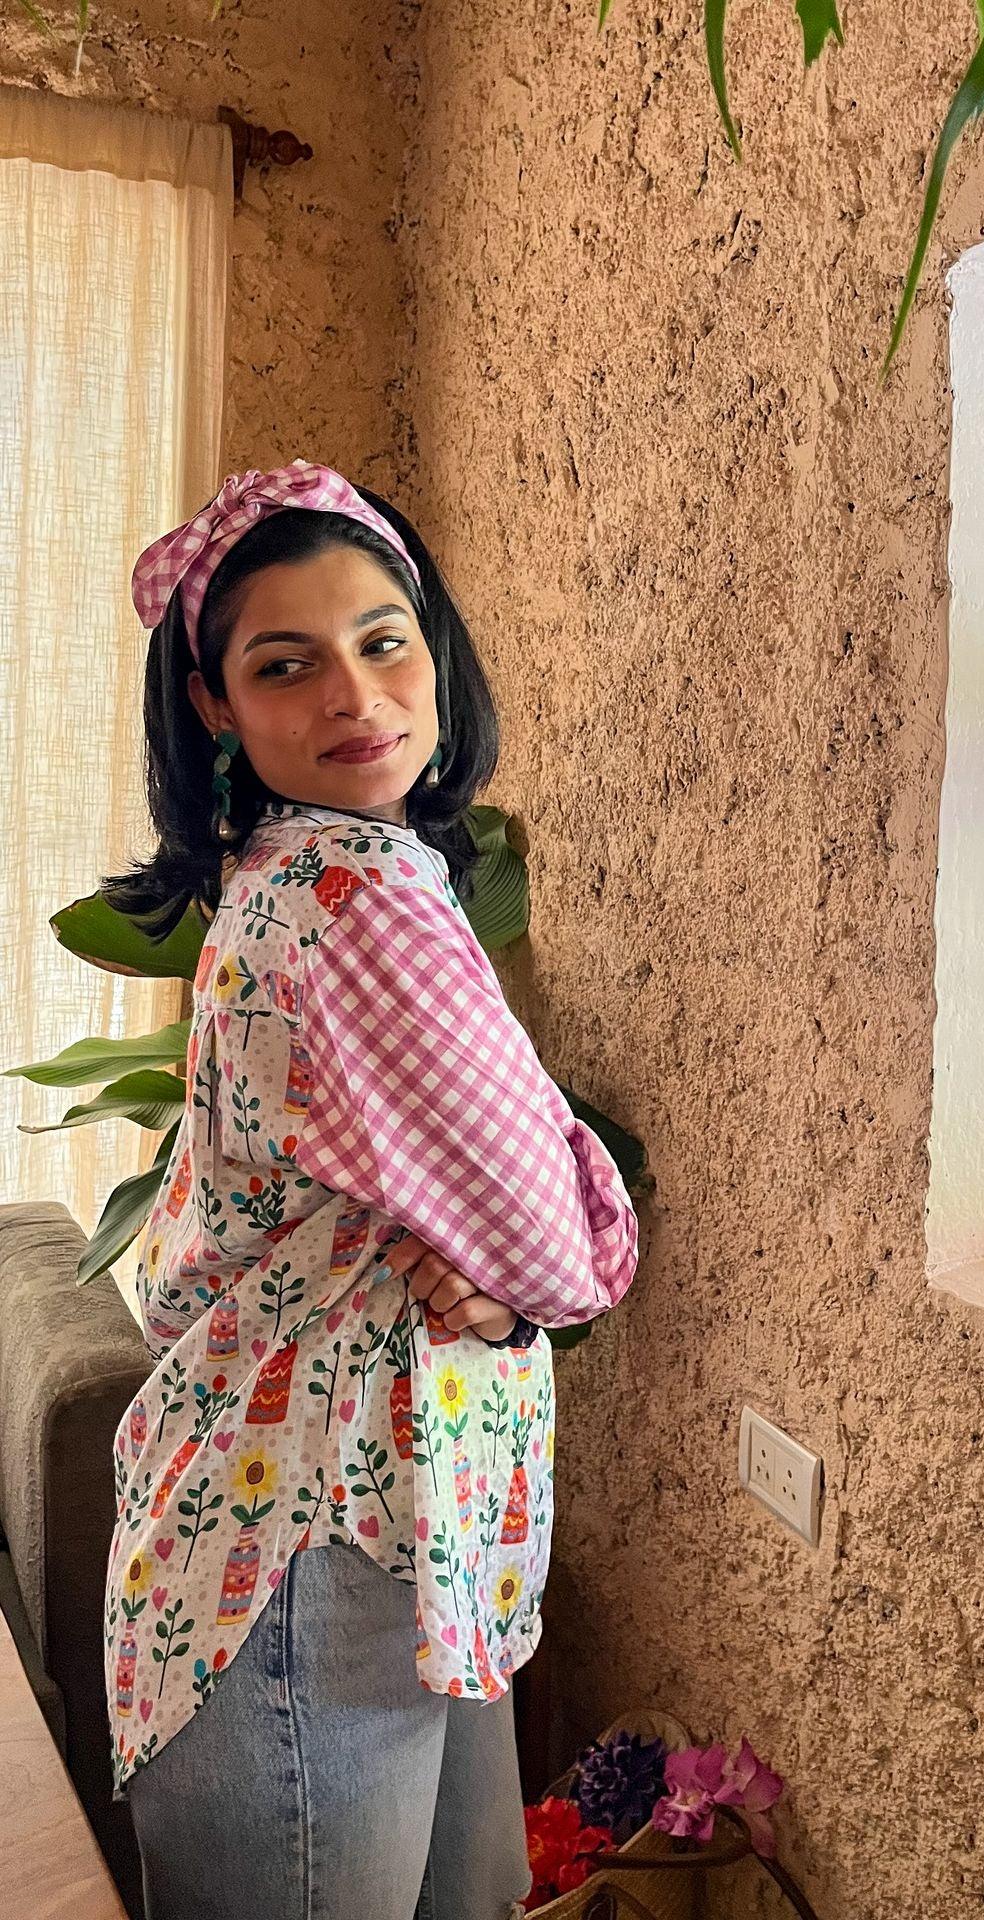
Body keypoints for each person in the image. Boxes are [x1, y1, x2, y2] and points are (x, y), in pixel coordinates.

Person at [98, 459, 640, 1920]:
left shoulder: (308, 868)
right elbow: (556, 1249)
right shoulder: (357, 901)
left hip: (364, 1530)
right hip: (311, 1553)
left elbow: (499, 1244)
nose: (355, 695)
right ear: (216, 705)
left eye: (382, 639)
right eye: (286, 665)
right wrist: (537, 1263)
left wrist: (504, 1275)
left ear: (431, 646)